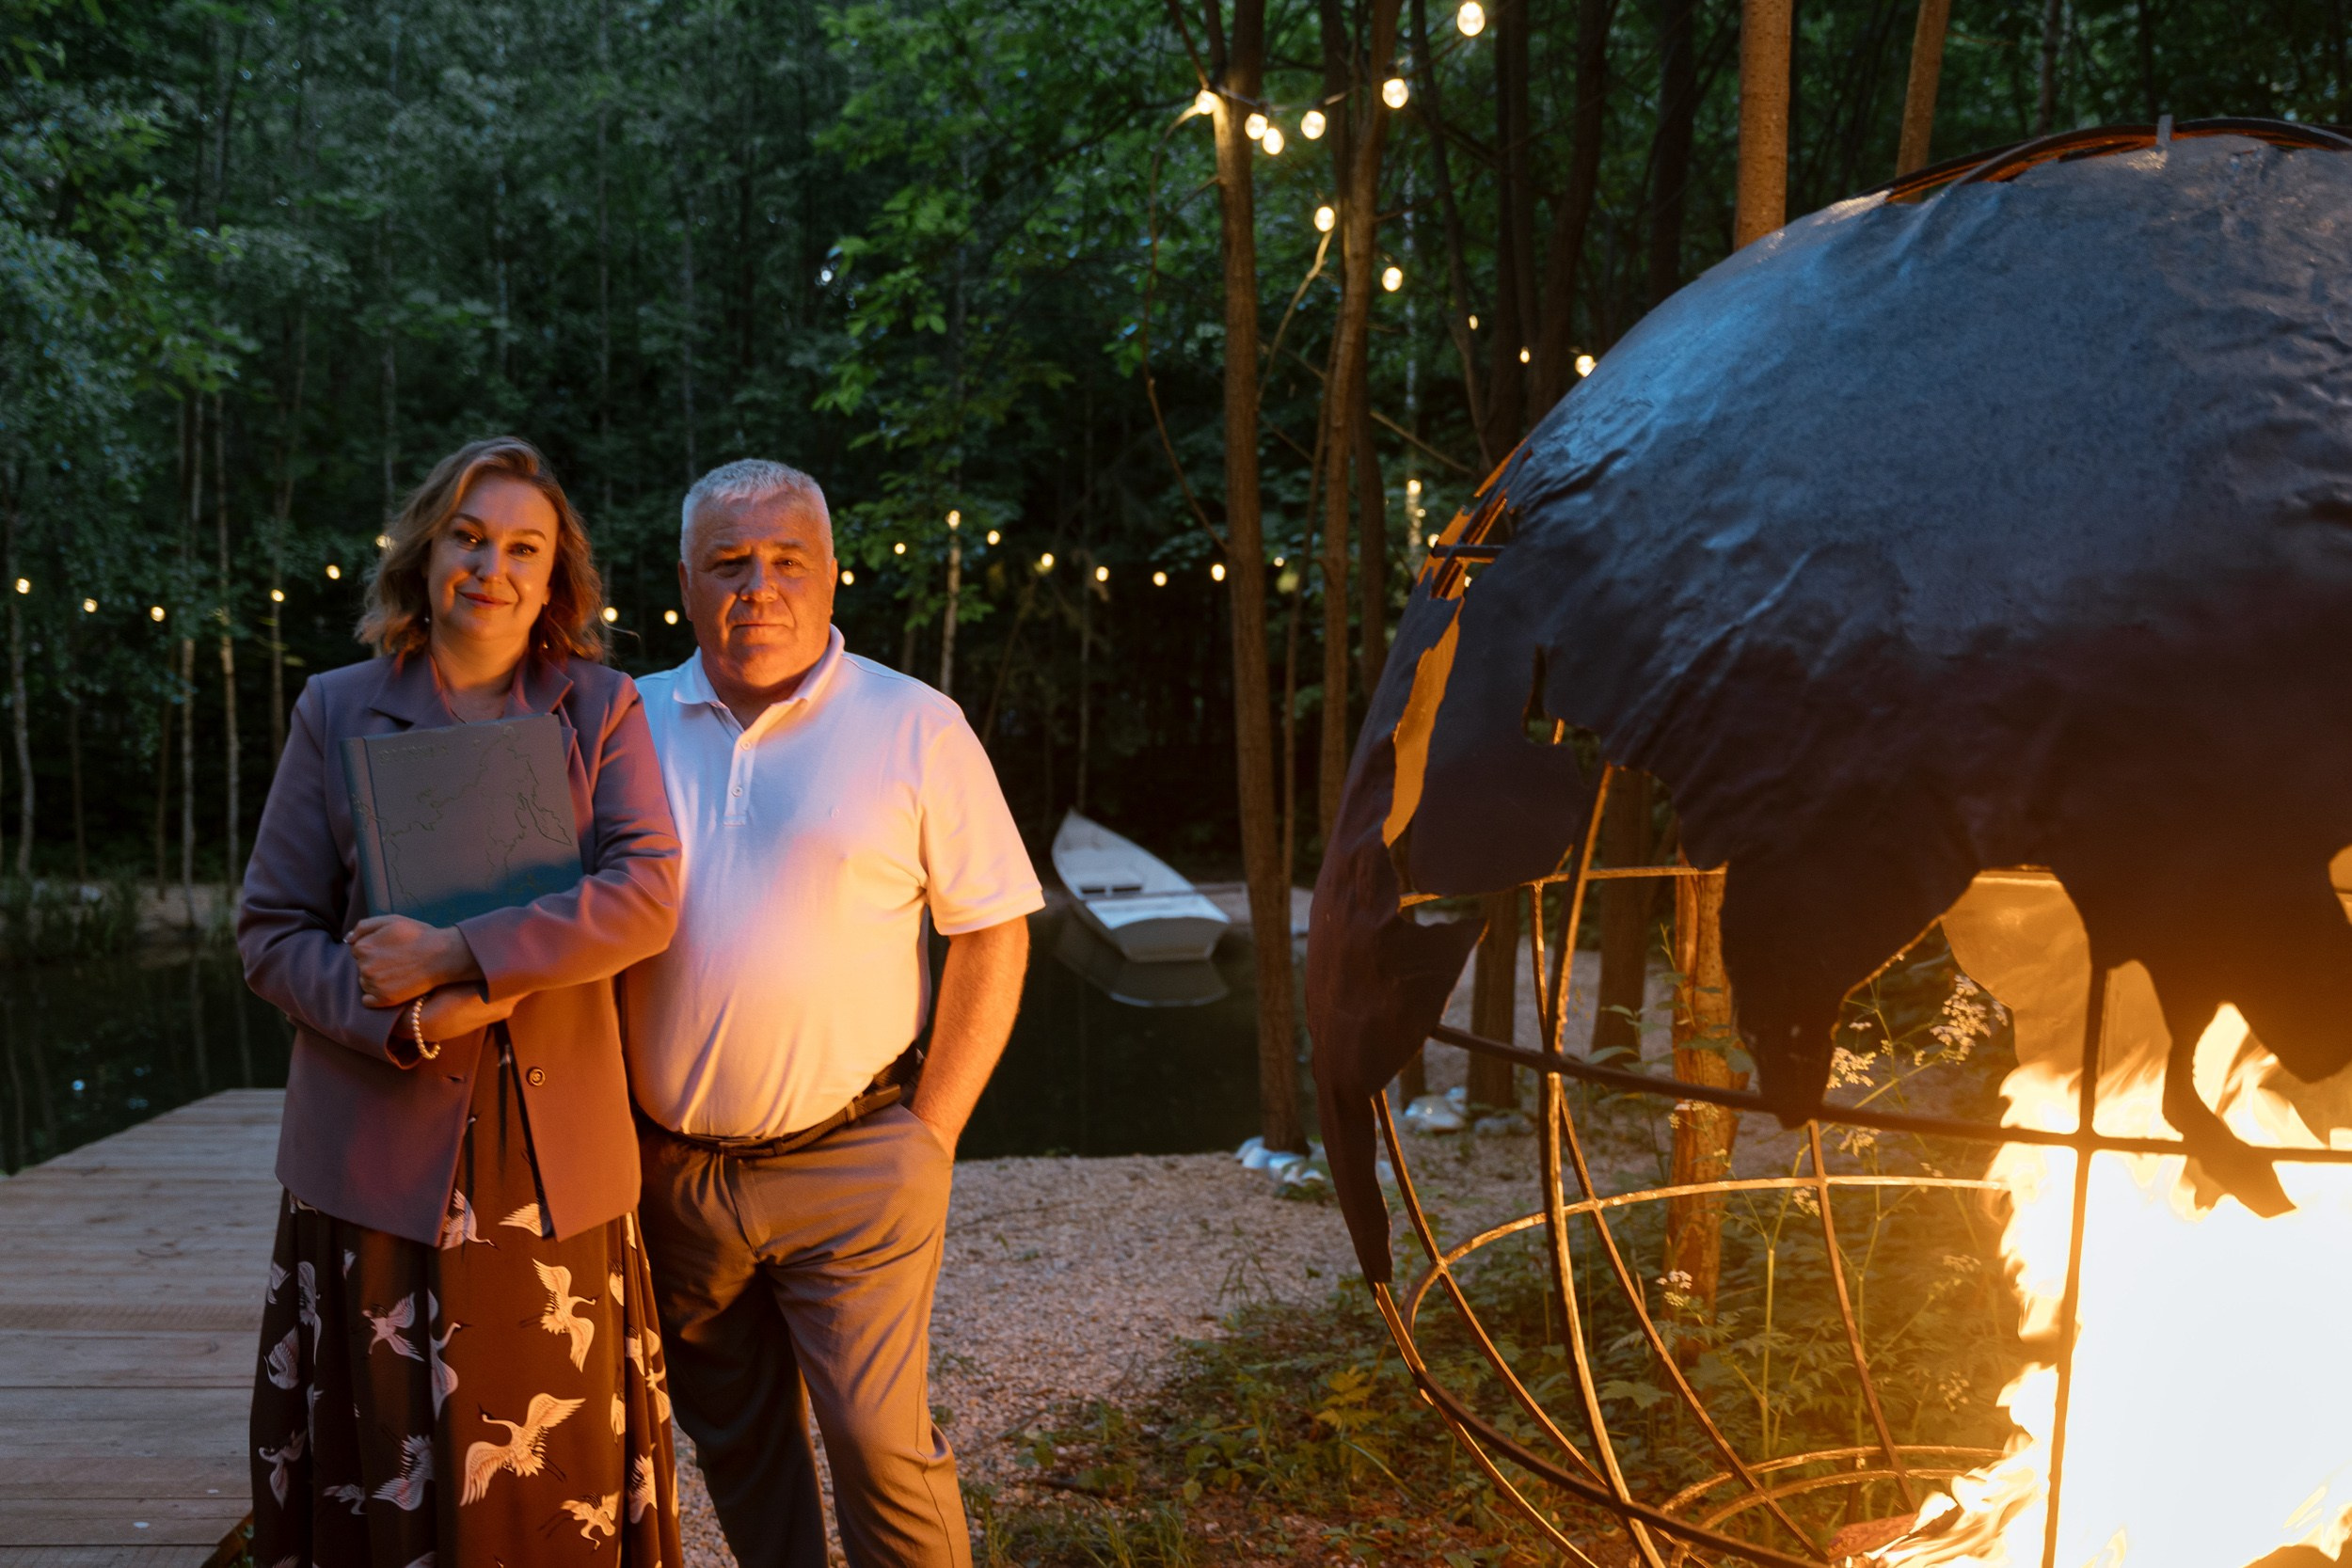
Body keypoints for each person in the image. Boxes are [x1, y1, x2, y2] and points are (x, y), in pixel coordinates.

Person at [240, 436, 686, 1567]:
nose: (492, 565)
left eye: (522, 547)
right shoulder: (334, 708)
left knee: (550, 1475)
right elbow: (270, 932)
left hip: (551, 1163)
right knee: (384, 1452)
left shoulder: (602, 706)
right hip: (377, 1161)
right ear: (425, 549)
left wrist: (456, 951)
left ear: (554, 580)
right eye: (469, 536)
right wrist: (402, 1012)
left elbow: (644, 895)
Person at [626, 459, 1041, 1568]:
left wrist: (934, 1128)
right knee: (737, 1445)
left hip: (857, 1159)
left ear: (830, 575)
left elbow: (994, 925)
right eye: (728, 562)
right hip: (675, 1172)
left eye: (783, 560)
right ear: (685, 578)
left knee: (876, 1441)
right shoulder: (627, 723)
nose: (755, 585)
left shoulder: (913, 724)